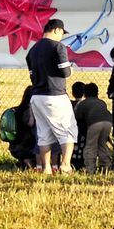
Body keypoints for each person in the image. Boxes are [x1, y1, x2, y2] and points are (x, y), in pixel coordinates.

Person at [26, 19, 77, 174]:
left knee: (43, 134)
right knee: (67, 131)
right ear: (56, 30)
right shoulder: (58, 47)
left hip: (36, 96)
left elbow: (32, 77)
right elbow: (65, 72)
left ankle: (46, 168)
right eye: (62, 32)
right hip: (55, 95)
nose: (62, 36)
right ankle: (65, 165)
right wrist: (71, 70)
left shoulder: (32, 50)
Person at [71, 82, 112, 172]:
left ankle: (90, 167)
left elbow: (77, 117)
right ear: (97, 93)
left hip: (94, 123)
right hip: (108, 122)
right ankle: (106, 165)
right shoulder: (102, 102)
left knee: (91, 146)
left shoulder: (83, 103)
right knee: (102, 144)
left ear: (85, 93)